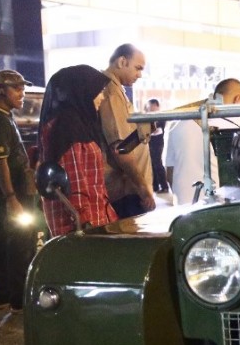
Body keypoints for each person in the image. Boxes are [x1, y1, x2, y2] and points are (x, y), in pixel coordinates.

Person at [0, 70, 38, 312]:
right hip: (9, 196)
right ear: (1, 90)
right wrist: (12, 198)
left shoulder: (0, 115)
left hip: (5, 195)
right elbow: (0, 161)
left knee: (3, 243)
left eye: (23, 88)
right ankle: (18, 299)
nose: (22, 93)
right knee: (19, 245)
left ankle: (2, 296)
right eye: (17, 88)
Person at [37, 65, 118, 236]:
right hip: (82, 228)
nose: (102, 97)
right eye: (99, 91)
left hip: (95, 218)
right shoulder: (68, 126)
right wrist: (83, 222)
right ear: (82, 90)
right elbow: (74, 179)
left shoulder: (80, 123)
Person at [164, 78, 240, 205]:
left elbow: (169, 172)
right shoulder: (230, 126)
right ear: (238, 99)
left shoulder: (176, 123)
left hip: (182, 203)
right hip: (213, 204)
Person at [98, 43, 154, 219]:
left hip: (128, 188)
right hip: (125, 191)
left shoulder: (116, 90)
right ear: (122, 61)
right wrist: (142, 188)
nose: (139, 75)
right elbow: (120, 148)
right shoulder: (111, 91)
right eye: (137, 68)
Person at [146, 98, 168, 193]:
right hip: (150, 142)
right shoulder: (148, 117)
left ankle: (164, 186)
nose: (151, 109)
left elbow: (159, 129)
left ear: (157, 106)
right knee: (152, 164)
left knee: (158, 163)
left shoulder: (161, 117)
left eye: (152, 107)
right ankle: (155, 186)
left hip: (158, 142)